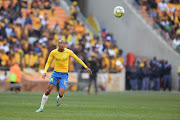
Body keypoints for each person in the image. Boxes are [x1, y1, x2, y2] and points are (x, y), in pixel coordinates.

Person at [36, 39, 92, 112]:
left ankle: (59, 97)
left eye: (63, 43)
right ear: (58, 44)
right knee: (48, 91)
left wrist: (86, 67)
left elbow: (77, 59)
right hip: (55, 74)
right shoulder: (53, 52)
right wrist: (45, 72)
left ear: (65, 45)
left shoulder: (68, 52)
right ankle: (41, 108)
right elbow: (48, 62)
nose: (62, 45)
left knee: (61, 94)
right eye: (60, 43)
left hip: (64, 75)